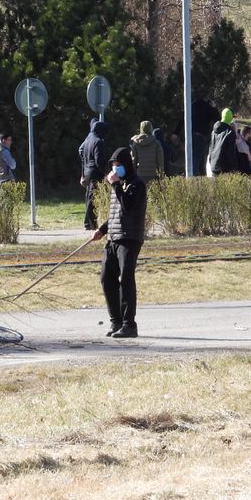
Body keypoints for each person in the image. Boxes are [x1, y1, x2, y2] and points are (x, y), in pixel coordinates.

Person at [92, 147, 147, 339]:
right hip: (113, 237)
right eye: (113, 166)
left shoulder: (136, 184)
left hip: (130, 238)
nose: (115, 169)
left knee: (126, 279)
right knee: (106, 278)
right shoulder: (120, 184)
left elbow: (129, 208)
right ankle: (115, 321)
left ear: (127, 165)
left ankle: (128, 324)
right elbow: (116, 213)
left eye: (118, 165)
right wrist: (103, 229)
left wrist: (115, 186)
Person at [79, 120, 108, 229]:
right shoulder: (98, 141)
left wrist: (82, 173)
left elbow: (82, 156)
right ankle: (89, 224)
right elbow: (99, 161)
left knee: (89, 198)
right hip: (95, 173)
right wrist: (105, 172)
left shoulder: (88, 140)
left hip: (87, 172)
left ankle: (90, 223)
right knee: (93, 199)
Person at [207, 108, 238, 175]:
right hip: (225, 167)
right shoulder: (230, 132)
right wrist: (234, 167)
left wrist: (210, 161)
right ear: (231, 118)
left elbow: (211, 147)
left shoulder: (214, 131)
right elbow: (231, 152)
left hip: (214, 165)